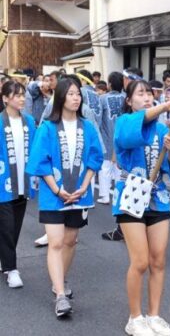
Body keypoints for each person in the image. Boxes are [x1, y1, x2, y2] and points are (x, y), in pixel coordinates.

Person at [112, 79, 170, 336]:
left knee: (158, 260)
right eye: (140, 94)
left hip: (158, 198)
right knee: (140, 261)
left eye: (149, 94)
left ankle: (154, 315)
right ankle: (135, 317)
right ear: (129, 100)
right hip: (131, 195)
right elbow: (130, 135)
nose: (146, 97)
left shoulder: (164, 128)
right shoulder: (124, 123)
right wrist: (165, 105)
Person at [26, 77, 103, 317]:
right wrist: (57, 189)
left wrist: (85, 185)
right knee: (56, 242)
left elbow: (95, 158)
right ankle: (60, 295)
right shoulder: (47, 127)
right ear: (61, 97)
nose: (76, 97)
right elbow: (40, 161)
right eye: (70, 93)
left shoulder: (87, 127)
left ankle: (59, 279)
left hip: (80, 194)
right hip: (53, 195)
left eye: (78, 93)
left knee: (71, 241)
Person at [0, 81, 37, 288]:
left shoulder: (30, 121)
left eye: (23, 94)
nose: (21, 98)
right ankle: (11, 269)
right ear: (5, 98)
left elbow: (35, 149)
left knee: (15, 226)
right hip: (2, 182)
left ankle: (5, 258)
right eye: (16, 95)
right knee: (6, 226)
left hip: (23, 181)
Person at [97, 71, 125, 204]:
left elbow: (98, 118)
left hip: (106, 136)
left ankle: (105, 195)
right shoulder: (126, 98)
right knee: (120, 168)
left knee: (105, 167)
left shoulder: (102, 98)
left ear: (110, 84)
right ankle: (119, 195)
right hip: (122, 137)